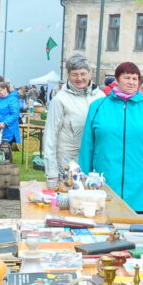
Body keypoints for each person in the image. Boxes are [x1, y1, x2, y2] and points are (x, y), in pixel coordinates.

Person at [78, 61, 143, 215]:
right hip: (105, 183)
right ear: (117, 80)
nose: (131, 82)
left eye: (135, 78)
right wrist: (83, 178)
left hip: (141, 185)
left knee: (137, 235)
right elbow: (88, 145)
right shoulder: (98, 106)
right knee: (104, 235)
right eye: (127, 78)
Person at [43, 54, 103, 187]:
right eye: (74, 74)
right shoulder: (60, 100)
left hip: (94, 160)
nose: (79, 78)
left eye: (83, 73)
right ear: (68, 76)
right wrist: (51, 171)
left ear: (90, 73)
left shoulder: (100, 97)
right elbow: (50, 135)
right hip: (69, 162)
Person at [0, 82, 21, 147]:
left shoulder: (13, 100)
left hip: (9, 128)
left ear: (5, 89)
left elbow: (15, 115)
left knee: (5, 150)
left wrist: (5, 123)